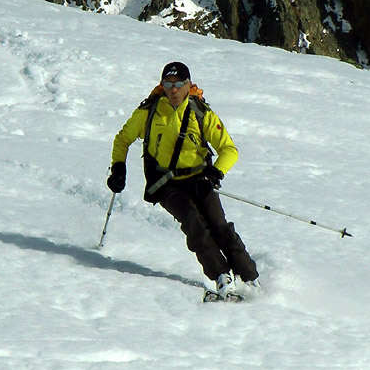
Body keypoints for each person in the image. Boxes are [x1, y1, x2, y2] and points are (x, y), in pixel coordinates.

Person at [107, 61, 260, 301]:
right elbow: (122, 139)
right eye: (168, 84)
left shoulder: (201, 112)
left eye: (179, 84)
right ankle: (222, 276)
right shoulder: (148, 113)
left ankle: (250, 278)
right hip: (166, 184)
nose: (173, 90)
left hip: (200, 179)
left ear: (189, 85)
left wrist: (215, 173)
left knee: (219, 226)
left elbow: (229, 149)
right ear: (162, 86)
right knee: (193, 222)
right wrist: (118, 167)